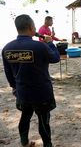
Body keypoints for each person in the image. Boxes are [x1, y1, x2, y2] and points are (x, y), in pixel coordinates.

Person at [1, 14, 60, 147]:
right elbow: (56, 58)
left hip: (22, 92)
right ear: (30, 27)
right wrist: (50, 43)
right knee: (44, 120)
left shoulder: (7, 48)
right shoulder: (40, 47)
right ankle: (47, 144)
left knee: (25, 117)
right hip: (42, 93)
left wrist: (14, 87)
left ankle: (24, 142)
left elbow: (8, 73)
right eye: (34, 26)